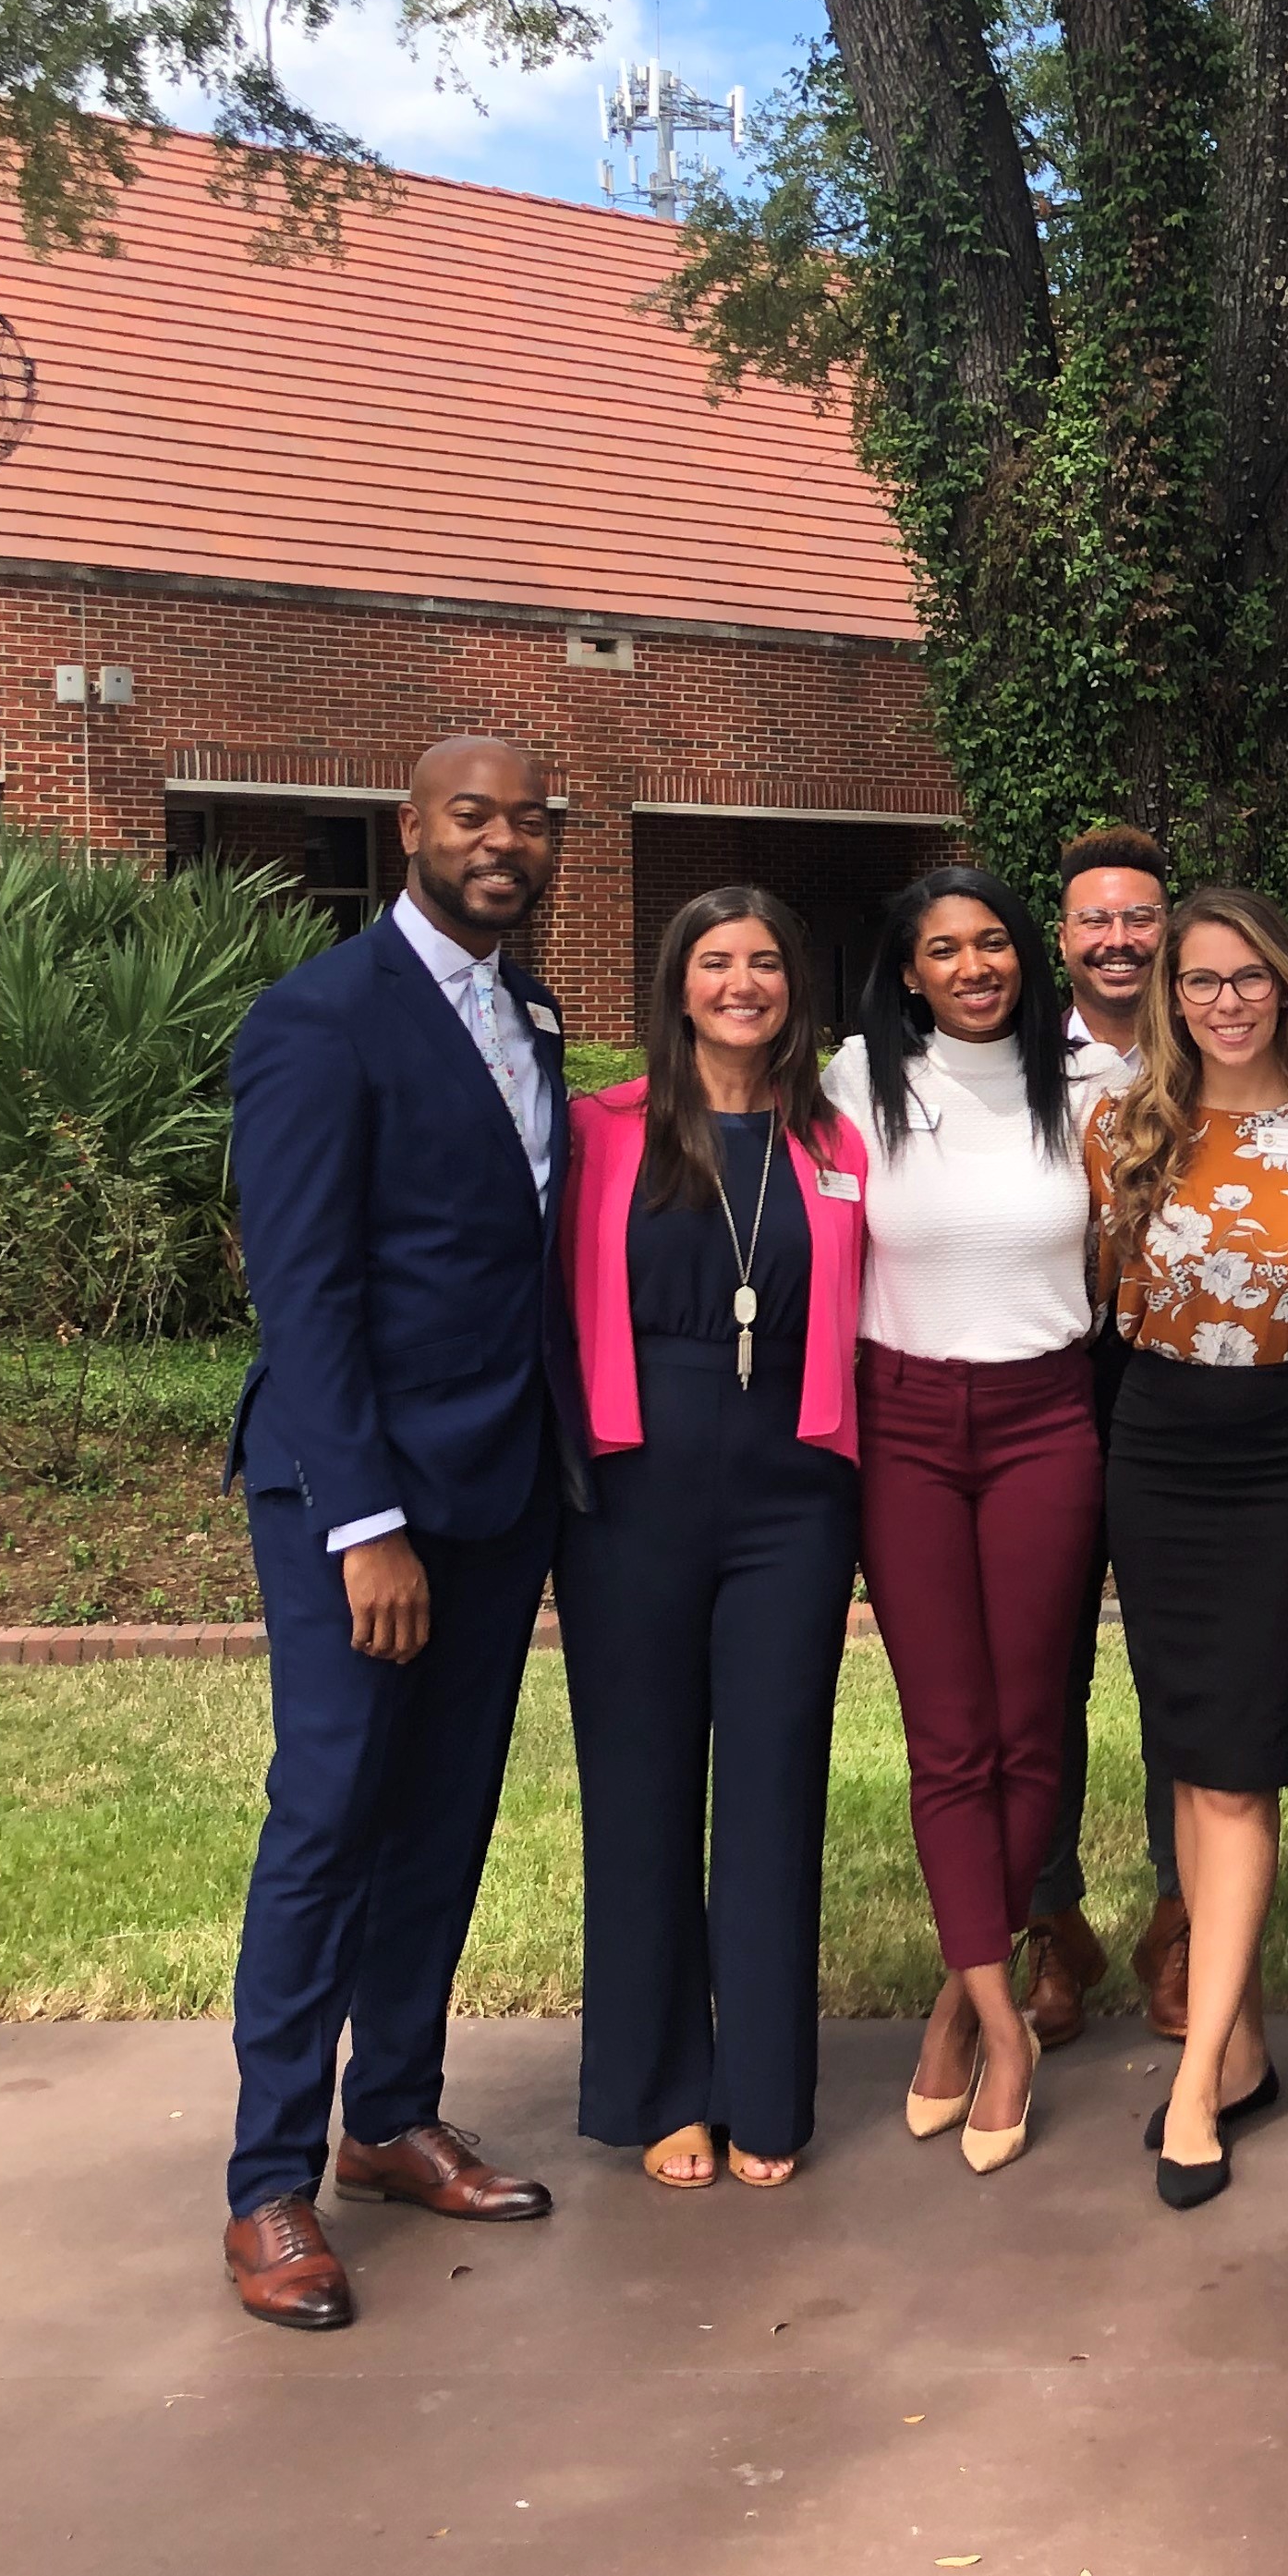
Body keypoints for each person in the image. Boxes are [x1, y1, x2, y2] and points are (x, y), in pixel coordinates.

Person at [218, 731, 571, 2331]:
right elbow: (302, 1286)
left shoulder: (529, 1010)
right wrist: (366, 1523)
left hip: (499, 1492)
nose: (502, 841)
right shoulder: (318, 1019)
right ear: (411, 829)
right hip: (357, 1501)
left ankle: (394, 2111)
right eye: (471, 815)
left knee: (444, 1810)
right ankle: (267, 2179)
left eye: (526, 820)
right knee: (332, 1813)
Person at [556, 889, 869, 2189]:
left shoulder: (841, 1140)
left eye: (766, 963)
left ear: (796, 988)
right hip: (634, 1497)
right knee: (640, 1794)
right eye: (715, 962)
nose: (743, 983)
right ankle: (660, 2085)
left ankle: (764, 2091)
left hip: (794, 1504)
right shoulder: (603, 1132)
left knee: (774, 1793)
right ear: (678, 988)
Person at [1090, 885, 1288, 2209]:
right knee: (1194, 1757)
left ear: (1285, 986)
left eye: (1247, 977)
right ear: (1170, 994)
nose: (1224, 1000)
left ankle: (1198, 2077)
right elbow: (1103, 1306)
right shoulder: (1123, 1129)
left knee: (1240, 1770)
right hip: (1157, 1452)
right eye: (1200, 979)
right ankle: (1248, 2040)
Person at [825, 866, 1106, 2176]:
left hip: (1049, 1417)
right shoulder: (853, 1085)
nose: (975, 967)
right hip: (908, 1426)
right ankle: (1000, 2005)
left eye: (993, 942)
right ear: (909, 971)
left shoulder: (1091, 1089)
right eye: (944, 949)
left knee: (1031, 1719)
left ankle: (960, 1997)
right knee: (947, 1734)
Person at [1022, 824, 1184, 2050]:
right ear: (1063, 935)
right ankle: (1051, 1925)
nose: (1120, 940)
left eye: (1139, 919)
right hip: (1047, 1380)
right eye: (1097, 921)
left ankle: (1181, 1927)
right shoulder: (1007, 1060)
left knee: (1181, 1675)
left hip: (1183, 1391)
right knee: (1043, 1673)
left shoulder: (1222, 1050)